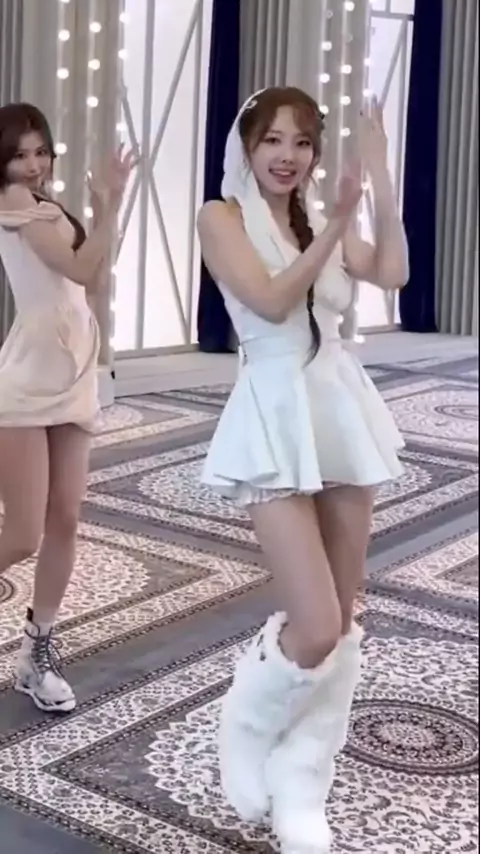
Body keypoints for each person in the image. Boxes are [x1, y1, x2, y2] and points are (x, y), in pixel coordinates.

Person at [197, 87, 409, 852]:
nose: (288, 156)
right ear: (247, 146)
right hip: (273, 412)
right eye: (273, 140)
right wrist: (335, 229)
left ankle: (302, 785)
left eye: (303, 142)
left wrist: (379, 175)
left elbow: (393, 273)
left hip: (339, 409)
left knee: (342, 624)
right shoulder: (220, 217)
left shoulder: (318, 218)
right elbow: (271, 300)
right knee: (314, 623)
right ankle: (246, 722)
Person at [0, 102, 135, 713]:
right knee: (23, 533)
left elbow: (95, 280)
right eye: (19, 155)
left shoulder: (51, 208)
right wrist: (109, 205)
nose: (32, 165)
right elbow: (81, 266)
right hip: (28, 380)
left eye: (40, 152)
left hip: (74, 373)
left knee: (66, 518)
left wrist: (105, 210)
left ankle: (37, 652)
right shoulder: (14, 205)